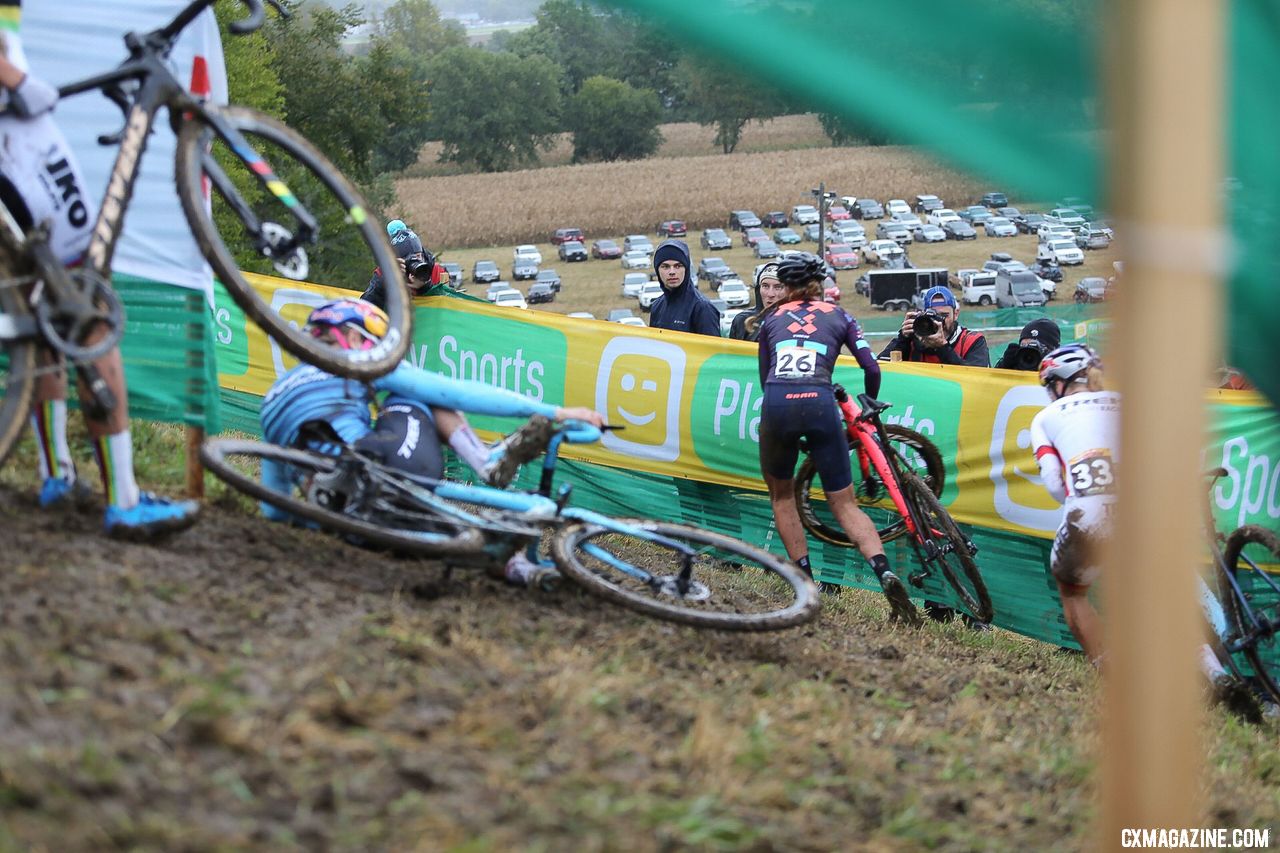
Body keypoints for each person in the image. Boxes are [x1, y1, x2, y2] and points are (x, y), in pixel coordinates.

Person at [0, 7, 198, 539]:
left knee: (46, 298)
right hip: (17, 137)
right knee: (86, 309)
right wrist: (17, 81)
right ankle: (126, 502)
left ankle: (56, 475)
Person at [259, 298, 605, 586]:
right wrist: (553, 411)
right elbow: (456, 393)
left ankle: (516, 568)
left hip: (341, 518)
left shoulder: (272, 396)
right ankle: (486, 464)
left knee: (445, 529)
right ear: (353, 336)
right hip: (383, 468)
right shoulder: (356, 361)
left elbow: (274, 507)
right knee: (411, 395)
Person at [755, 252, 920, 624]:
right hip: (820, 403)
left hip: (779, 403)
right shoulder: (840, 315)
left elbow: (765, 378)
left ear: (787, 287)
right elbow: (871, 367)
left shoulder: (771, 319)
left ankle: (806, 585)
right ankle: (884, 572)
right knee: (845, 505)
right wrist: (870, 401)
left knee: (782, 497)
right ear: (821, 284)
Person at [1030, 345, 1117, 664]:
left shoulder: (1046, 417)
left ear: (1060, 382)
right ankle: (1213, 671)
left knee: (1073, 591)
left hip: (1089, 512)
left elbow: (1055, 484)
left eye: (1049, 386)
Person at [877, 286, 989, 367]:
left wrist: (943, 348)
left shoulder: (971, 341)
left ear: (956, 314)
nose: (939, 322)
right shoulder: (912, 340)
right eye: (934, 316)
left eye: (944, 316)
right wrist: (903, 339)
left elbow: (977, 379)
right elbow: (880, 368)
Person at [360, 219, 447, 309]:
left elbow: (452, 305)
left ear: (422, 254)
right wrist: (386, 281)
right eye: (408, 259)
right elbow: (365, 307)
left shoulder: (436, 271)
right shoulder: (385, 272)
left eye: (418, 256)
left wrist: (425, 287)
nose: (415, 261)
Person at [648, 239, 720, 336]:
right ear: (657, 270)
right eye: (665, 267)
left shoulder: (702, 308)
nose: (672, 272)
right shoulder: (657, 306)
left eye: (678, 266)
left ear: (686, 269)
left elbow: (713, 349)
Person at [728, 263, 785, 342]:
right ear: (759, 289)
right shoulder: (742, 320)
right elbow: (732, 353)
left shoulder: (798, 323)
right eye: (765, 286)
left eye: (778, 287)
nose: (770, 294)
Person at [994, 317, 1061, 371]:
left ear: (1053, 350)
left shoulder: (1060, 373)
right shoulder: (1017, 368)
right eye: (1023, 345)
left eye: (1034, 346)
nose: (1029, 353)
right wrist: (1004, 366)